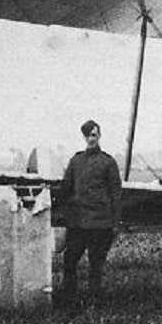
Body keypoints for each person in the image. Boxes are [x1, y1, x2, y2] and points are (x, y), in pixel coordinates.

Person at [58, 120, 122, 307]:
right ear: (84, 137)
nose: (91, 139)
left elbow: (116, 194)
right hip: (79, 223)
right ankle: (69, 299)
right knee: (70, 261)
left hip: (100, 224)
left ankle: (96, 302)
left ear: (99, 136)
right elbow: (66, 189)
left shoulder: (108, 162)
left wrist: (115, 224)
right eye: (88, 135)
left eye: (94, 135)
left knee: (96, 264)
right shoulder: (76, 161)